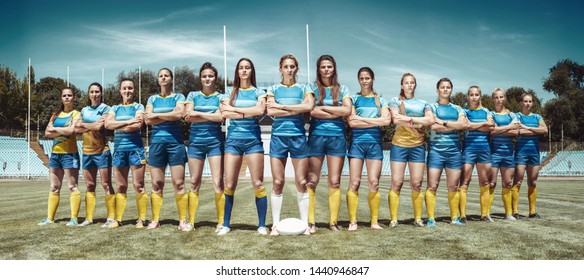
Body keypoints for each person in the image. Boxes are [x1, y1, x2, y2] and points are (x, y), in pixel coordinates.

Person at [266, 54, 315, 235]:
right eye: (285, 66)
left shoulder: (305, 88)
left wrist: (283, 107)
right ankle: (275, 226)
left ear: (296, 68)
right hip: (278, 137)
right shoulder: (273, 88)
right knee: (278, 182)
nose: (289, 70)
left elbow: (309, 107)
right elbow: (270, 110)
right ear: (280, 69)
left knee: (301, 182)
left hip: (298, 137)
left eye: (292, 66)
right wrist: (295, 108)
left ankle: (305, 226)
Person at [218, 58, 268, 235]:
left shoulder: (259, 92)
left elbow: (260, 111)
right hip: (233, 141)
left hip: (253, 140)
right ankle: (225, 224)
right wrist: (248, 112)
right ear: (237, 71)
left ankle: (262, 225)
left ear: (251, 71)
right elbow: (224, 113)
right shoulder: (229, 92)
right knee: (230, 184)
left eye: (247, 68)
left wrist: (236, 111)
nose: (244, 70)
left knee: (258, 183)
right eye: (241, 68)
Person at [305, 55, 352, 233]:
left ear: (334, 68)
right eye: (323, 67)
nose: (326, 69)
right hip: (316, 136)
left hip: (337, 137)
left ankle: (333, 222)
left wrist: (323, 109)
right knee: (312, 180)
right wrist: (336, 111)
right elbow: (311, 111)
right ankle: (311, 221)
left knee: (335, 181)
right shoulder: (311, 87)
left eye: (329, 66)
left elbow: (347, 110)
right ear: (319, 69)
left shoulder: (343, 88)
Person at [346, 67, 391, 231]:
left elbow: (386, 122)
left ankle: (374, 222)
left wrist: (360, 118)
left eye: (367, 78)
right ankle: (352, 221)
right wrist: (375, 120)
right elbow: (352, 123)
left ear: (373, 79)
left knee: (374, 182)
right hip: (357, 143)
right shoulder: (353, 99)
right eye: (362, 78)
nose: (364, 81)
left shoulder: (380, 101)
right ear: (359, 80)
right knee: (355, 182)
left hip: (375, 144)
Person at [144, 68, 189, 230]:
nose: (163, 78)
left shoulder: (179, 97)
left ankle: (183, 220)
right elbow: (147, 120)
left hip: (175, 144)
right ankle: (155, 219)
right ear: (158, 80)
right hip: (156, 144)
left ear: (171, 79)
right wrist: (168, 115)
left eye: (166, 75)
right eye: (160, 75)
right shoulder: (152, 99)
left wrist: (157, 116)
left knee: (179, 183)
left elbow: (179, 115)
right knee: (157, 183)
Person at [388, 73, 433, 227]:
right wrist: (418, 123)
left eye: (412, 82)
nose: (409, 85)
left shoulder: (423, 103)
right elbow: (395, 118)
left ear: (415, 85)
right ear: (402, 85)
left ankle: (418, 218)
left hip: (418, 146)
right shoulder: (395, 101)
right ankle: (394, 219)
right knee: (397, 182)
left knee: (417, 183)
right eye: (406, 83)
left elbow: (430, 120)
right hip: (399, 145)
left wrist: (407, 120)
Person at [184, 62, 225, 232]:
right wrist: (210, 115)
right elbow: (187, 117)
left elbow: (221, 117)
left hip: (215, 142)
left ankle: (221, 222)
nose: (207, 78)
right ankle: (191, 222)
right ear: (200, 78)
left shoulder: (221, 97)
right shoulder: (193, 95)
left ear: (215, 78)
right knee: (194, 182)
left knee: (218, 182)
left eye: (210, 76)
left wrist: (198, 114)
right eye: (204, 76)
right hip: (195, 143)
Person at [104, 78, 146, 228]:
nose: (127, 91)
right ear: (120, 91)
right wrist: (129, 122)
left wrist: (118, 125)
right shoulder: (114, 108)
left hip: (136, 150)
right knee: (121, 186)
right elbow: (108, 124)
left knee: (138, 185)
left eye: (130, 88)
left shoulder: (139, 106)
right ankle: (118, 219)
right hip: (120, 151)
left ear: (134, 90)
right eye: (124, 88)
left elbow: (138, 125)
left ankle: (141, 219)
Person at [425, 78, 467, 227]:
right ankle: (431, 219)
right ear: (437, 89)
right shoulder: (431, 107)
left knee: (453, 186)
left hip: (454, 151)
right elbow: (433, 126)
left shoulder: (457, 108)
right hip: (436, 151)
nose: (445, 90)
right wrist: (453, 126)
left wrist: (443, 122)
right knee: (432, 186)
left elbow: (463, 124)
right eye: (442, 87)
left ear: (451, 90)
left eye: (448, 87)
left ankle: (454, 218)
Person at [38, 87, 82, 226]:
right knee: (54, 187)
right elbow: (47, 133)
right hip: (55, 154)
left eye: (70, 95)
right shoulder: (55, 114)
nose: (67, 97)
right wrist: (63, 130)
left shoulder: (77, 114)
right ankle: (50, 218)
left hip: (70, 154)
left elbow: (71, 131)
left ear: (74, 98)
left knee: (72, 187)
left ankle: (74, 218)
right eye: (64, 95)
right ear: (61, 98)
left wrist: (56, 130)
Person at [75, 82, 114, 227]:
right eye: (92, 91)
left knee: (106, 184)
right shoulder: (84, 110)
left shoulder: (106, 108)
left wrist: (84, 125)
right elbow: (76, 128)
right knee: (90, 185)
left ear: (101, 93)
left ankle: (110, 217)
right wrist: (87, 126)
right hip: (86, 152)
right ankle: (89, 218)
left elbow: (99, 126)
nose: (94, 94)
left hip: (102, 151)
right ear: (88, 94)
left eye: (97, 91)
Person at [459, 86, 495, 223]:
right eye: (471, 95)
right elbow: (465, 126)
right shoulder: (464, 111)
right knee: (464, 182)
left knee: (485, 182)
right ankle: (462, 215)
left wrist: (474, 124)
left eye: (477, 94)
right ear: (468, 97)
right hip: (468, 149)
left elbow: (491, 126)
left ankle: (484, 214)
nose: (474, 97)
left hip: (484, 149)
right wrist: (483, 124)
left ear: (480, 96)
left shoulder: (486, 111)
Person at [512, 92, 547, 219]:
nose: (528, 104)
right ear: (521, 103)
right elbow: (517, 131)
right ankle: (515, 212)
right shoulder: (516, 116)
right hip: (521, 152)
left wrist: (526, 128)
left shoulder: (537, 117)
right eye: (525, 101)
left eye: (530, 101)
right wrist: (534, 130)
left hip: (534, 153)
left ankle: (532, 212)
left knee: (532, 182)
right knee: (518, 181)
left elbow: (544, 130)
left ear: (532, 103)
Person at [489, 88, 520, 221]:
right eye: (496, 97)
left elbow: (516, 132)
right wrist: (508, 127)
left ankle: (508, 214)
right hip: (493, 153)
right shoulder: (490, 114)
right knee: (492, 183)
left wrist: (498, 129)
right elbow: (491, 131)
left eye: (501, 97)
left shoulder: (512, 115)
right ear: (493, 99)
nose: (499, 99)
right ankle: (486, 213)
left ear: (505, 98)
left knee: (507, 183)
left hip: (508, 153)